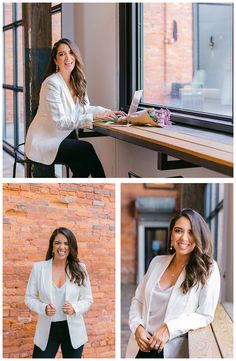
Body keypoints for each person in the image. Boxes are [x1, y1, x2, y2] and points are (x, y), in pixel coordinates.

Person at [126, 208, 221, 358]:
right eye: (178, 230)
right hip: (141, 345)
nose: (184, 238)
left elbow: (205, 315)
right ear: (171, 235)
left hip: (171, 349)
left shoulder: (208, 269)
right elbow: (138, 300)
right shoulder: (157, 262)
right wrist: (137, 326)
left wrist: (169, 329)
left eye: (191, 232)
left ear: (199, 236)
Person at [25, 38, 125, 178]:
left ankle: (76, 194)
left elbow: (85, 108)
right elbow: (60, 122)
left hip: (64, 136)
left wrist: (106, 112)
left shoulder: (78, 80)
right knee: (86, 149)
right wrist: (94, 117)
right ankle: (106, 188)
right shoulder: (51, 83)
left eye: (71, 53)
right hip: (45, 140)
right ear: (55, 60)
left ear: (76, 56)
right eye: (62, 54)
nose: (68, 57)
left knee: (82, 167)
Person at [25, 227, 93, 358]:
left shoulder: (80, 269)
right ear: (52, 245)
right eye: (57, 242)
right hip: (47, 330)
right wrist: (43, 308)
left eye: (66, 243)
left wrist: (74, 308)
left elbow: (87, 299)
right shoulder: (39, 268)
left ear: (71, 247)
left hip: (73, 330)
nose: (62, 247)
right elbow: (29, 298)